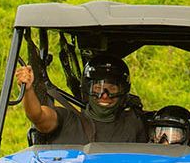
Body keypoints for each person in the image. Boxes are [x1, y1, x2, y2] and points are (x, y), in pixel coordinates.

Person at [15, 53, 146, 144]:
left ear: (123, 91)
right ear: (87, 89)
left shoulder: (133, 123)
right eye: (97, 89)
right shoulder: (66, 119)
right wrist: (28, 90)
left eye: (112, 89)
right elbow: (37, 116)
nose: (104, 95)